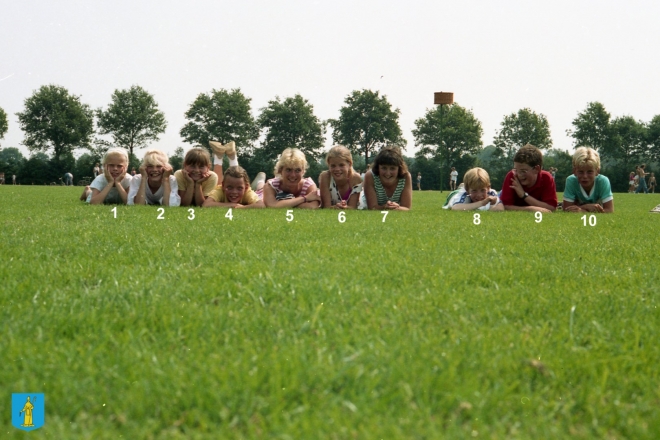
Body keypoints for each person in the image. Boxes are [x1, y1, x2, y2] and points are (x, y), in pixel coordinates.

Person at [500, 144, 557, 212]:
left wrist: (523, 195)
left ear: (536, 169)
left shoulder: (546, 178)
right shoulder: (512, 177)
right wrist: (529, 209)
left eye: (523, 171)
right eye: (516, 170)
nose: (519, 175)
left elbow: (551, 208)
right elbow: (505, 206)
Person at [562, 147, 613, 213]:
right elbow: (566, 209)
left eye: (589, 172)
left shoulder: (603, 181)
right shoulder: (571, 181)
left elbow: (609, 210)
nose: (585, 176)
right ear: (574, 171)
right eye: (581, 172)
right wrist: (585, 207)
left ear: (597, 171)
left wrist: (581, 209)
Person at [362, 146, 412, 211]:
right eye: (384, 168)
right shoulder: (370, 175)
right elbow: (372, 207)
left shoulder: (406, 177)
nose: (388, 173)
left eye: (392, 168)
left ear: (399, 168)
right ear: (378, 167)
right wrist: (386, 207)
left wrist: (396, 207)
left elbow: (406, 208)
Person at [318, 145, 363, 209]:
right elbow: (326, 207)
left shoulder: (356, 178)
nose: (337, 169)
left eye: (341, 165)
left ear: (349, 164)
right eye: (333, 166)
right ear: (328, 165)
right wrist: (336, 207)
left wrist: (344, 208)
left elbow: (353, 207)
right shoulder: (325, 177)